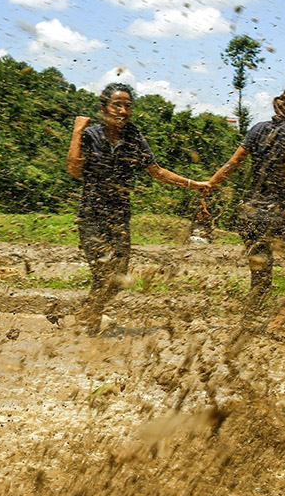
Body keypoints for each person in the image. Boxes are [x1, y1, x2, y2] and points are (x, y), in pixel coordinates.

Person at [66, 82, 208, 334]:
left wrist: (192, 184)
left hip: (119, 216)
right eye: (116, 105)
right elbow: (74, 170)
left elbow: (156, 171)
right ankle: (88, 329)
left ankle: (87, 317)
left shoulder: (133, 137)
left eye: (127, 106)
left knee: (118, 277)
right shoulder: (90, 135)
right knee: (103, 269)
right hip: (92, 215)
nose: (122, 111)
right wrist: (77, 131)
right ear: (103, 108)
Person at [206, 83, 285, 326]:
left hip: (248, 215)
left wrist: (208, 186)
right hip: (273, 217)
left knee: (261, 282)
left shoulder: (258, 129)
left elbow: (232, 164)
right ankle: (279, 323)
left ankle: (242, 330)